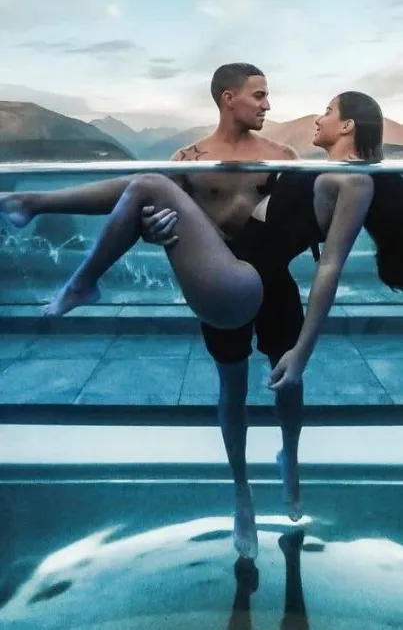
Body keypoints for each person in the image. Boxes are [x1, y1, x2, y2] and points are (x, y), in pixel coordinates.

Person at [1, 74, 401, 553]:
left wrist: (302, 351)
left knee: (290, 391)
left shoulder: (310, 167)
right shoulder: (210, 161)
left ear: (348, 125)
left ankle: (289, 460)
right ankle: (242, 494)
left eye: (327, 111)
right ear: (227, 99)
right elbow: (173, 224)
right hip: (228, 280)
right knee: (231, 387)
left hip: (266, 286)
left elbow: (330, 265)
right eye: (260, 95)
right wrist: (154, 227)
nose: (309, 115)